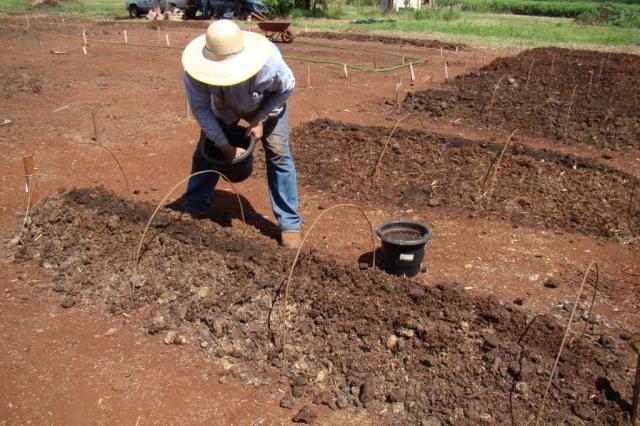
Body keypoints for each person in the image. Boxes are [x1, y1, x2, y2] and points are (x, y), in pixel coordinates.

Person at [180, 20, 302, 249]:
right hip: (223, 107)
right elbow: (200, 110)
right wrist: (225, 147)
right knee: (205, 152)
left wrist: (260, 118)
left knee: (278, 153)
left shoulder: (269, 64)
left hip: (265, 103)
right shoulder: (195, 73)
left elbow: (286, 88)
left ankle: (289, 224)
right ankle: (193, 205)